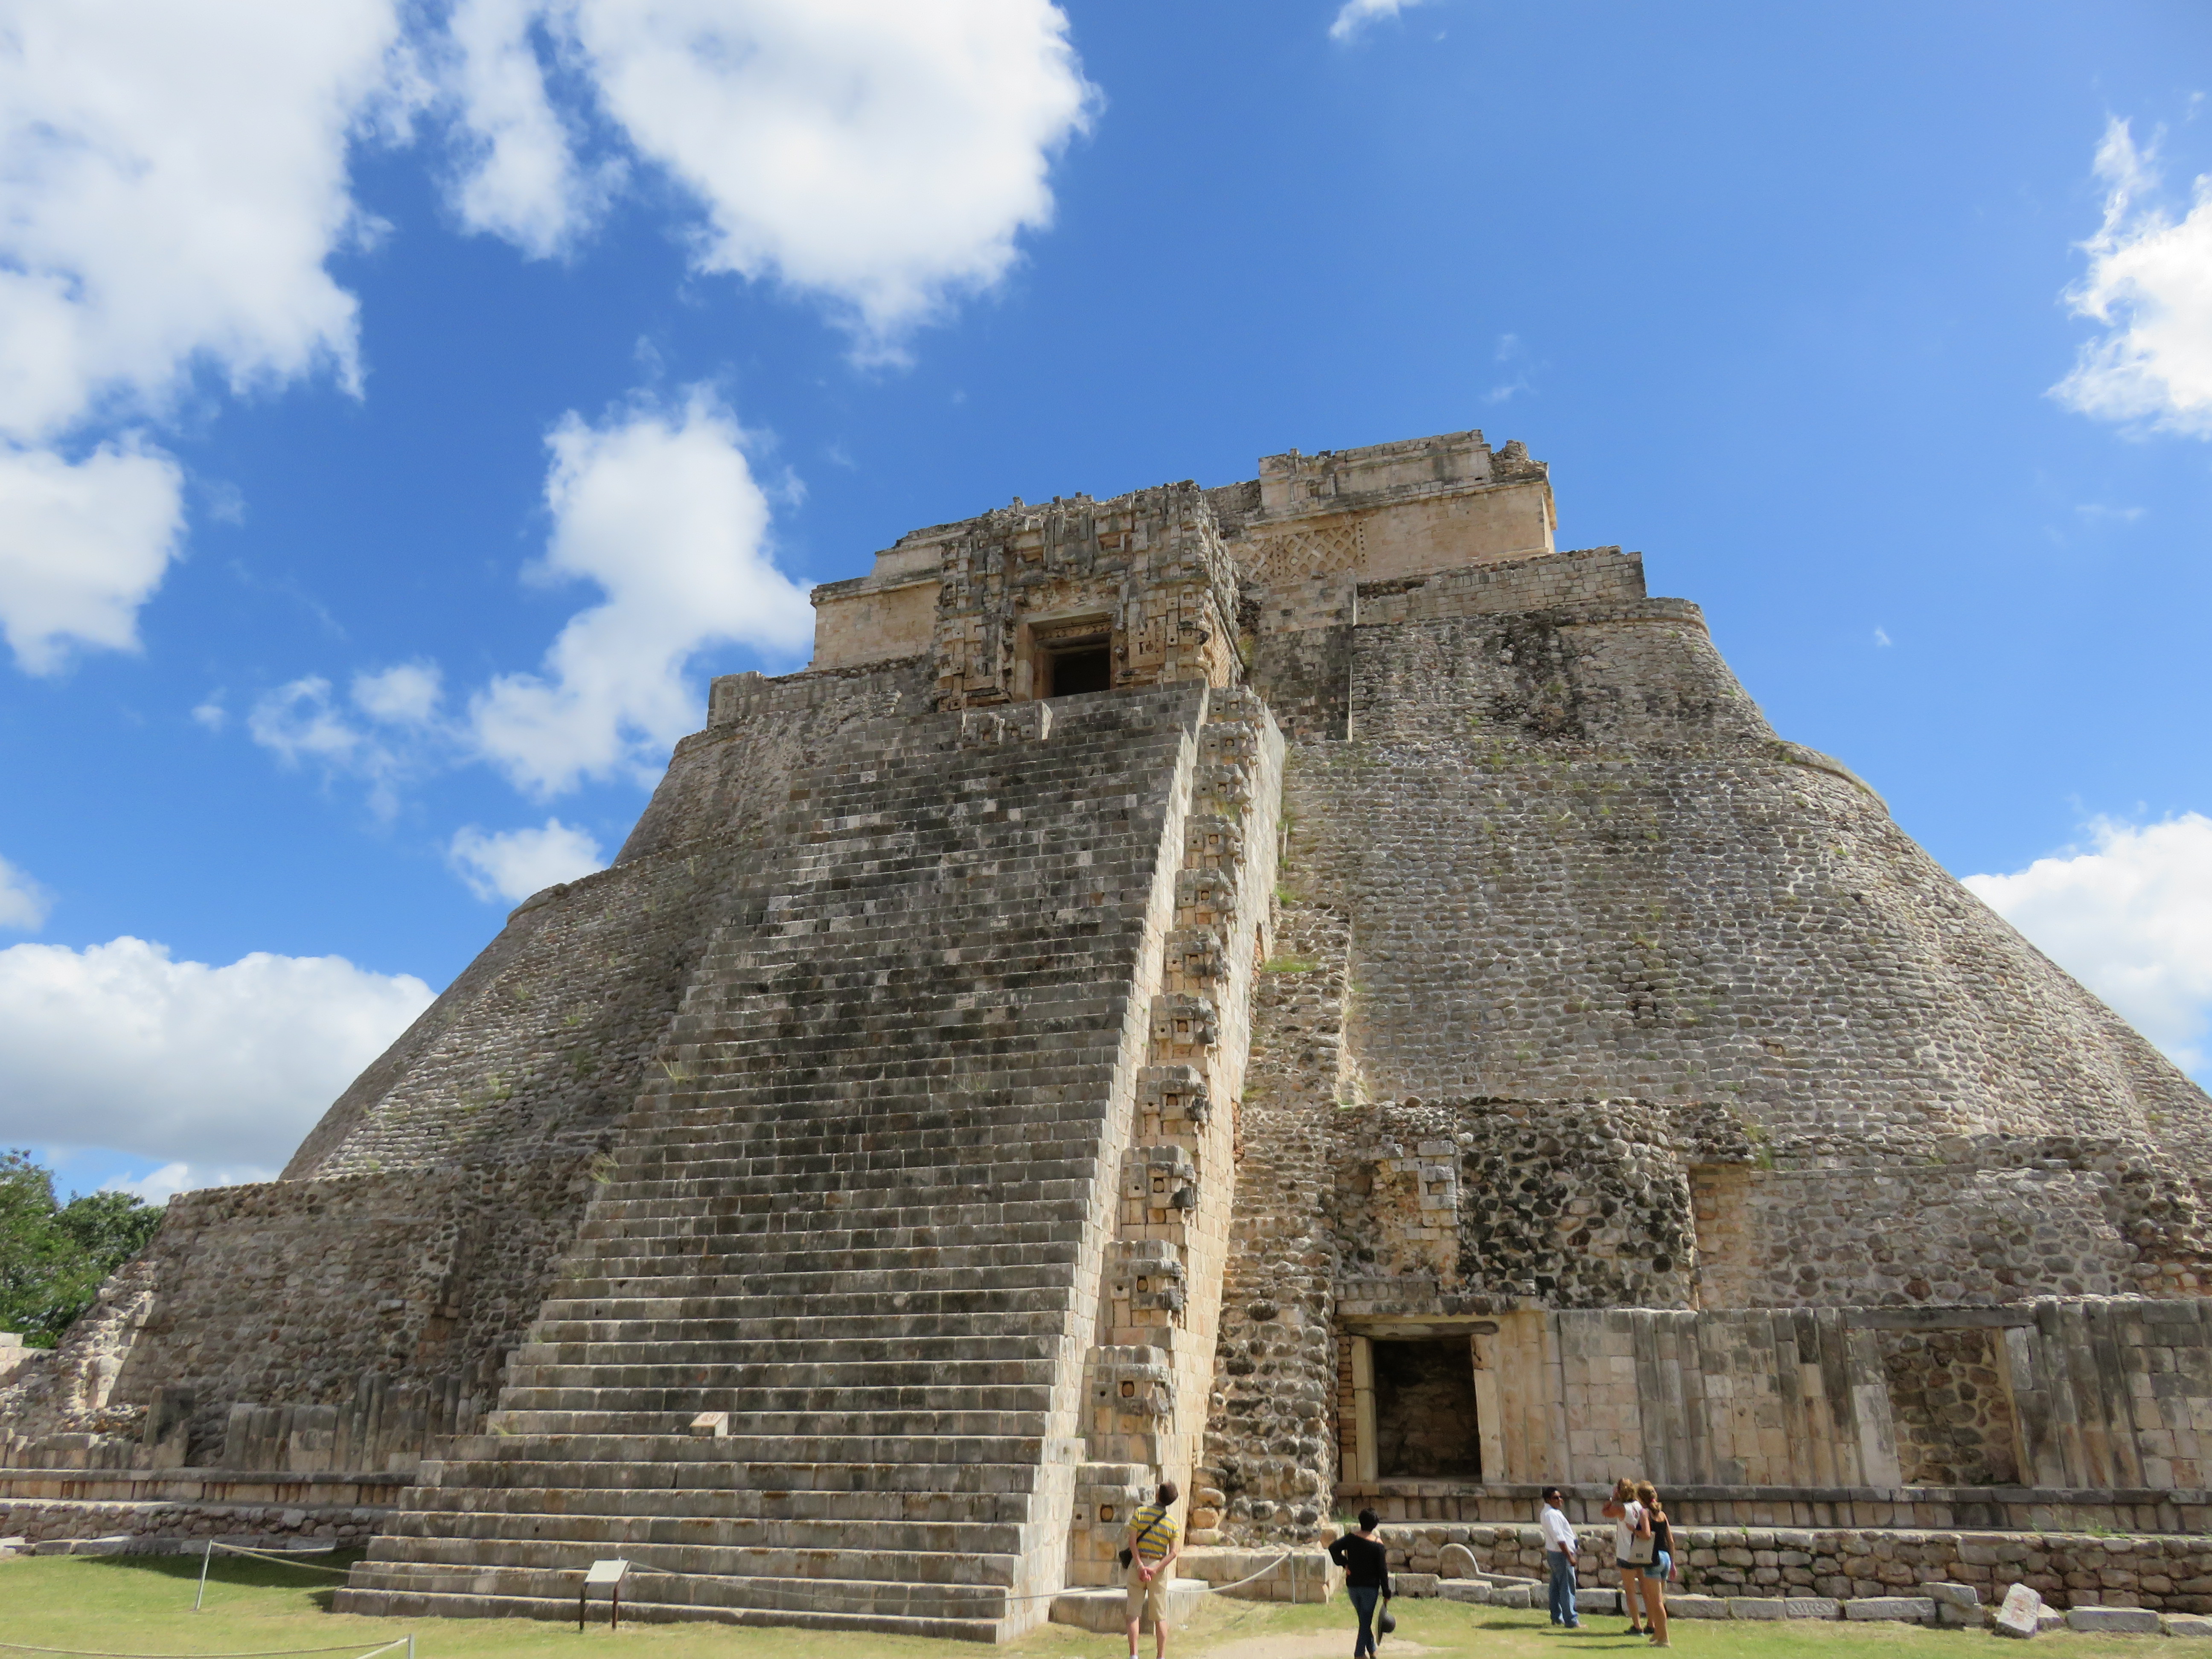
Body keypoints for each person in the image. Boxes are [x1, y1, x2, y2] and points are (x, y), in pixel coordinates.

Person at [1124, 1481, 1182, 1659]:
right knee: (1160, 1616)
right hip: (1158, 1567)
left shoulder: (1140, 1513)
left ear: (1157, 1495)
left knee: (1133, 1614)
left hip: (1139, 1564)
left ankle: (1134, 1655)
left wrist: (1140, 1565)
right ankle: (1161, 1656)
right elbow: (1174, 1552)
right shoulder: (1172, 1524)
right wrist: (1155, 1568)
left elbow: (1132, 1542)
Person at [1327, 1508, 1393, 1659]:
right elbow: (1383, 1571)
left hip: (1353, 1586)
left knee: (1364, 1620)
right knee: (1365, 1621)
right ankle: (1359, 1654)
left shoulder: (1351, 1538)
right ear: (1375, 1525)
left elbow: (1333, 1548)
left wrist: (1345, 1563)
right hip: (1370, 1588)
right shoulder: (1378, 1545)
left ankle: (1372, 1650)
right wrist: (1387, 1592)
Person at [1601, 1476, 1653, 1637]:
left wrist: (1613, 1498)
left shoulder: (1621, 1509)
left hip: (1626, 1552)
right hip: (1641, 1552)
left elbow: (1605, 1511)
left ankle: (1637, 1626)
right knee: (1646, 1590)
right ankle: (1651, 1623)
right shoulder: (1639, 1506)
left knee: (1631, 1592)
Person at [1636, 1483, 1673, 1649]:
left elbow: (1646, 1534)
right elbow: (1670, 1541)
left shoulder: (1645, 1513)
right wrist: (1673, 1564)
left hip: (1653, 1558)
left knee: (1656, 1602)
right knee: (1657, 1599)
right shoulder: (1662, 1515)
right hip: (1666, 1557)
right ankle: (1658, 1634)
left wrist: (1634, 1530)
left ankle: (1665, 1638)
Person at [1539, 1487, 1580, 1628]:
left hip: (1555, 1553)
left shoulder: (1551, 1513)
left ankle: (1557, 1617)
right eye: (1556, 1498)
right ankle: (1571, 1620)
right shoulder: (1551, 1514)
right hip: (1561, 1554)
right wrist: (1569, 1557)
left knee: (1556, 1586)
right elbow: (1560, 1538)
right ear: (1548, 1500)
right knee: (1567, 1587)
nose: (1560, 1500)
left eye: (1561, 1497)